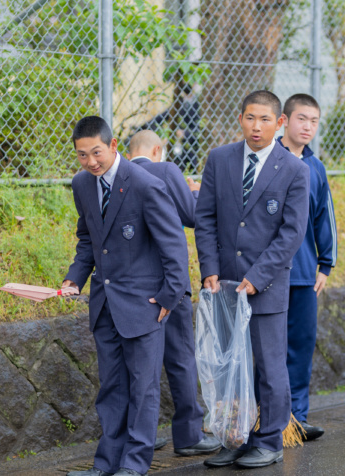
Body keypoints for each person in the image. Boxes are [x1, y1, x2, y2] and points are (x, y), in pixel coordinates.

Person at [61, 117, 190, 476]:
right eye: (82, 155)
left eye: (96, 153)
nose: (90, 162)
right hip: (104, 305)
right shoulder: (82, 184)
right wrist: (75, 279)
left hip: (145, 306)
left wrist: (168, 297)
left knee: (143, 389)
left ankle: (134, 465)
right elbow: (88, 240)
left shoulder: (146, 184)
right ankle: (106, 465)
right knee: (112, 389)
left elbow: (174, 247)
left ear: (114, 145)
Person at [195, 90, 309, 468]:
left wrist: (258, 278)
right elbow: (206, 218)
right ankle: (234, 436)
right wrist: (210, 268)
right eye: (249, 118)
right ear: (240, 118)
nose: (255, 126)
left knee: (268, 366)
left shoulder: (294, 169)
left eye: (264, 120)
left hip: (266, 288)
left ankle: (269, 439)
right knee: (229, 367)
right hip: (224, 286)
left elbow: (291, 234)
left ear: (279, 124)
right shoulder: (220, 158)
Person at [126, 130, 221, 455]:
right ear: (158, 150)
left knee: (140, 366)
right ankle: (189, 435)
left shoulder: (120, 174)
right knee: (180, 358)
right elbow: (192, 216)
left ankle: (142, 436)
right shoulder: (165, 171)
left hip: (132, 287)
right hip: (169, 283)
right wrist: (193, 193)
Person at [276, 93, 337, 441]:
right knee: (270, 350)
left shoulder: (316, 167)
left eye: (314, 121)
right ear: (284, 120)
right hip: (267, 276)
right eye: (302, 119)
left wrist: (325, 264)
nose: (308, 127)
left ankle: (296, 419)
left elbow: (323, 219)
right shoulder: (269, 160)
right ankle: (268, 419)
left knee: (301, 345)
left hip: (304, 274)